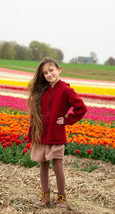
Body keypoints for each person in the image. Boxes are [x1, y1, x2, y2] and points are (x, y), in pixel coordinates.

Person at [27, 57, 87, 209]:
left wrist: (67, 120)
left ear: (59, 70)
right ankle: (45, 197)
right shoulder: (42, 90)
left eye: (51, 70)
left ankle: (61, 198)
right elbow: (35, 114)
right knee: (43, 166)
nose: (49, 74)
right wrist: (32, 133)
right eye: (45, 73)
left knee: (57, 166)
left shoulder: (66, 90)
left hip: (56, 135)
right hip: (41, 134)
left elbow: (81, 108)